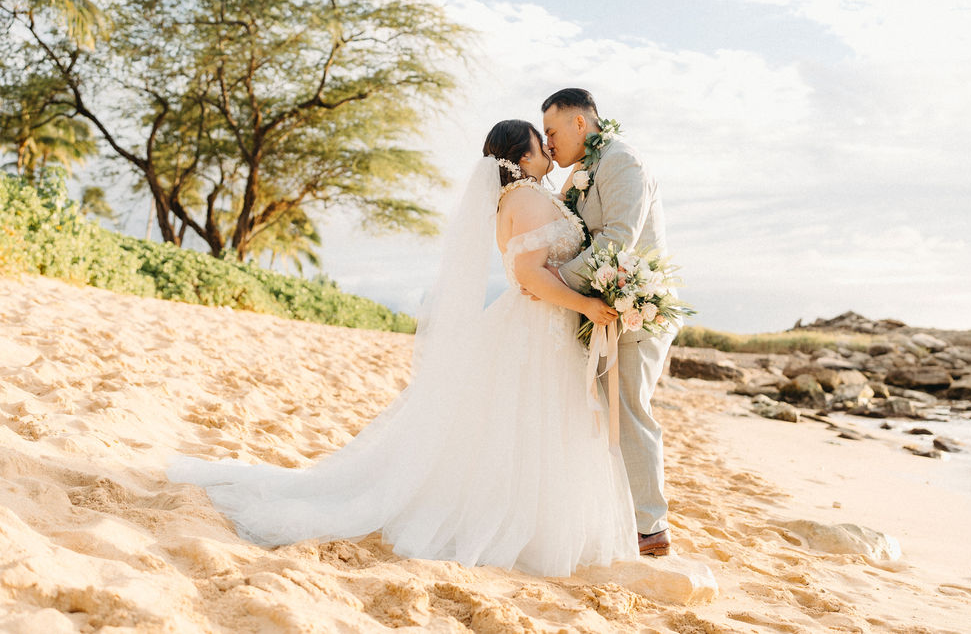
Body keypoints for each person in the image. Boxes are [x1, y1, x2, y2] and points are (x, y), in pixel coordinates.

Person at [166, 119, 639, 577]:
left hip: (537, 325)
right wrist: (585, 304)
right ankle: (526, 526)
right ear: (522, 155)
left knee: (519, 424)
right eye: (542, 144)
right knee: (531, 422)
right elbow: (530, 274)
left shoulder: (513, 200)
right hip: (539, 329)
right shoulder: (528, 198)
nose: (550, 152)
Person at [541, 88, 675, 556]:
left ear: (581, 123)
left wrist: (556, 277)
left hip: (637, 306)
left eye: (552, 131)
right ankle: (622, 515)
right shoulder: (582, 171)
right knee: (606, 413)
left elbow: (620, 238)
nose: (547, 142)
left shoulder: (622, 162)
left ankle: (650, 527)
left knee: (630, 410)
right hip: (600, 305)